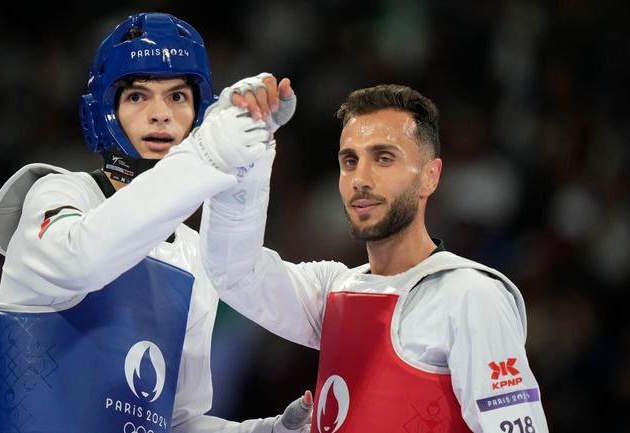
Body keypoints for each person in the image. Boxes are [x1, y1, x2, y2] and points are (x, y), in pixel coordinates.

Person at [0, 12, 312, 433]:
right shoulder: (58, 196)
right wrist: (206, 157)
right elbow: (84, 260)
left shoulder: (194, 257)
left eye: (177, 97)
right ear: (105, 111)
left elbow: (175, 420)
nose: (160, 115)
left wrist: (268, 431)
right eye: (137, 96)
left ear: (199, 113)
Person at [200, 84, 549, 432]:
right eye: (350, 161)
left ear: (430, 176)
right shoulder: (334, 291)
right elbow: (234, 272)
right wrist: (243, 151)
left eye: (384, 158)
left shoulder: (470, 295)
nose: (360, 179)